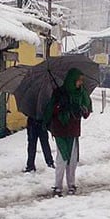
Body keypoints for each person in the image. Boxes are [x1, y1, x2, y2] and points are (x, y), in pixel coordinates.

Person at [46, 68, 92, 197]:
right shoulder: (59, 93)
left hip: (73, 130)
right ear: (72, 80)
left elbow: (87, 111)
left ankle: (71, 184)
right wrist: (60, 107)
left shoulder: (82, 94)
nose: (80, 83)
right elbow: (50, 110)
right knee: (61, 159)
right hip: (60, 130)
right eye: (79, 80)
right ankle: (58, 186)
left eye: (82, 81)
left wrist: (83, 110)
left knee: (72, 159)